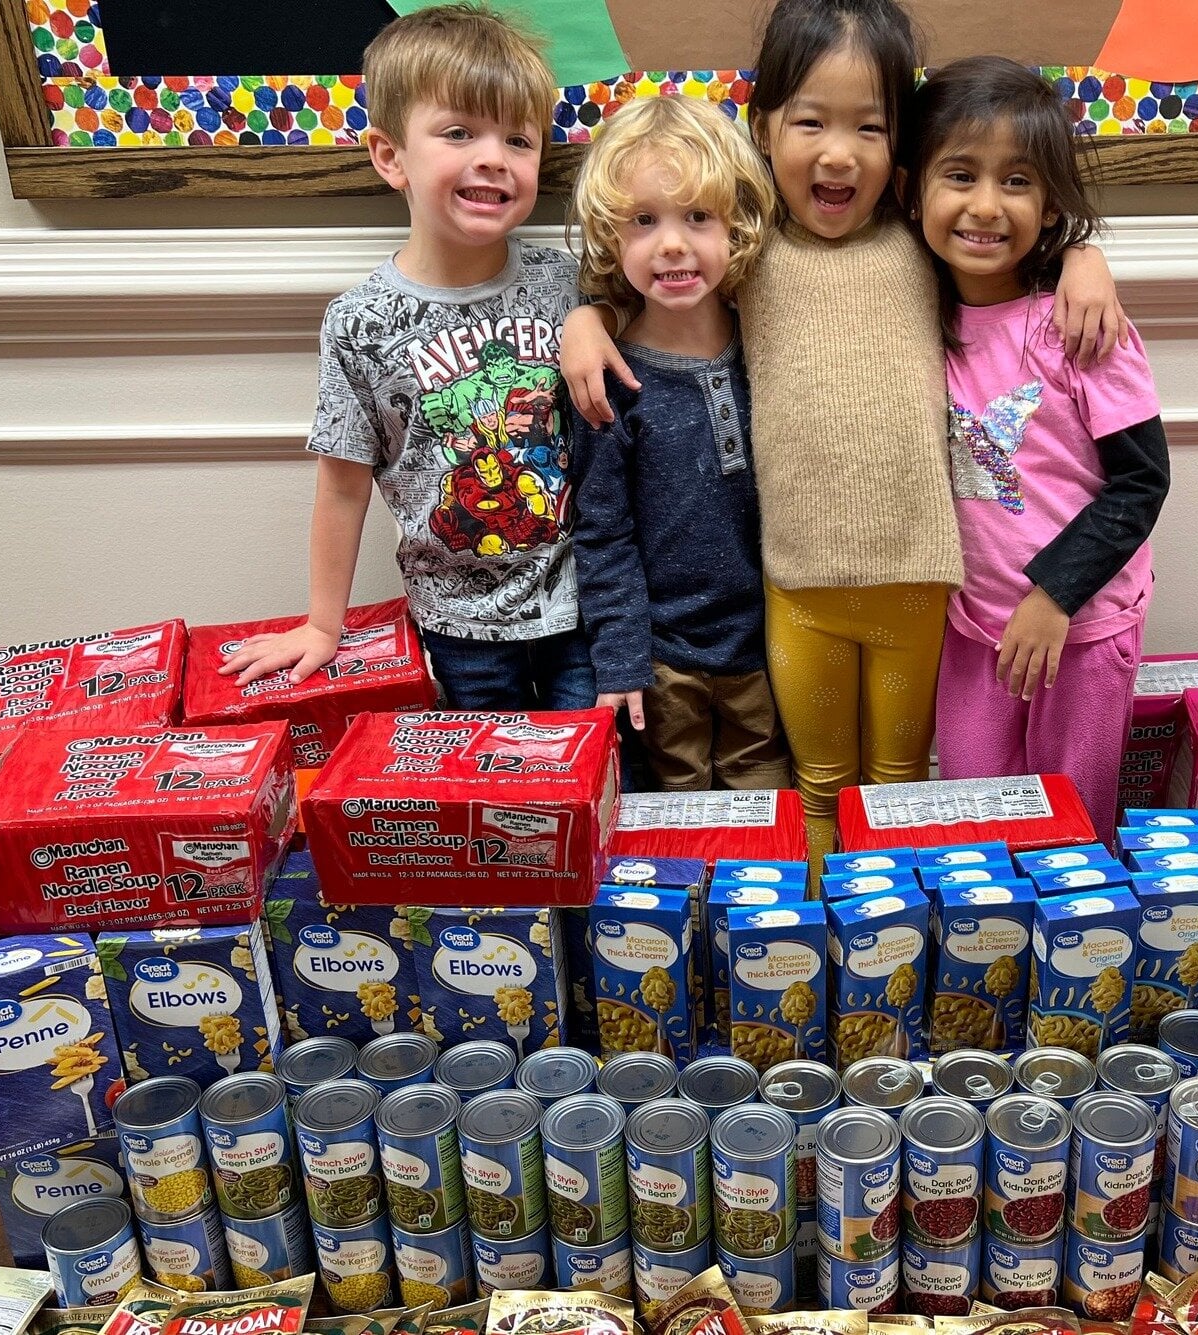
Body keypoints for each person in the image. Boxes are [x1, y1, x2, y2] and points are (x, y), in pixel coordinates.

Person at [563, 0, 1127, 864]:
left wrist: (1084, 255)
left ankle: (888, 931)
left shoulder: (920, 236)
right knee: (817, 785)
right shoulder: (749, 248)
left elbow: (1006, 239)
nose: (838, 153)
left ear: (900, 149)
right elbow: (663, 271)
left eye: (869, 126)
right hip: (798, 590)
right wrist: (588, 316)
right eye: (811, 122)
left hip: (916, 585)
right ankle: (819, 933)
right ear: (763, 129)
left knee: (897, 783)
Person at [220, 4, 593, 711]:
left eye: (519, 139)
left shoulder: (569, 285)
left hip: (581, 606)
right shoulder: (357, 323)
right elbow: (342, 485)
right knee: (489, 778)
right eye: (459, 132)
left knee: (599, 768)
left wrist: (593, 320)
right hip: (457, 624)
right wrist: (322, 624)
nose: (494, 156)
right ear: (391, 157)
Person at [905, 56, 1170, 845]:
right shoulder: (909, 311)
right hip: (973, 627)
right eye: (960, 175)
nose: (986, 205)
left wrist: (1054, 597)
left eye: (1016, 181)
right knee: (971, 825)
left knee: (1071, 834)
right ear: (913, 189)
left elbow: (1141, 482)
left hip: (1079, 632)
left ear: (1050, 204)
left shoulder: (1080, 327)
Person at [566, 95, 792, 791]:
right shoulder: (610, 381)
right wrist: (622, 658)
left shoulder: (768, 349)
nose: (671, 243)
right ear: (611, 238)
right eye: (644, 221)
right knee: (676, 815)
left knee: (764, 806)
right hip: (663, 661)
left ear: (737, 226)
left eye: (698, 216)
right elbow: (602, 532)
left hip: (768, 647)